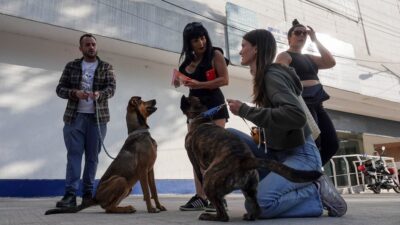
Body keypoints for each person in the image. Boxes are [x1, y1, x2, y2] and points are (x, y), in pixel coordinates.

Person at [226, 29, 347, 218]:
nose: (240, 51)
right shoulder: (262, 78)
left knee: (258, 206)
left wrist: (245, 110)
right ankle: (260, 189)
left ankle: (315, 191)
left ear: (256, 49)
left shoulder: (271, 75)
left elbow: (295, 115)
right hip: (279, 155)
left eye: (243, 46)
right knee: (229, 135)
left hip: (303, 158)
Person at [55, 33, 116, 208]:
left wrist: (100, 94)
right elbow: (59, 89)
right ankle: (70, 195)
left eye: (93, 44)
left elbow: (111, 88)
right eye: (87, 44)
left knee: (92, 158)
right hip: (75, 118)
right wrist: (74, 93)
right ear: (81, 48)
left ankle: (88, 195)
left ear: (96, 47)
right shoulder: (71, 66)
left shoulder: (106, 67)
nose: (91, 47)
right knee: (73, 155)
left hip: (98, 119)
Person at [174, 22, 230, 211]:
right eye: (196, 39)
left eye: (203, 37)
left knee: (215, 153)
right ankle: (201, 196)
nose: (201, 42)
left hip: (215, 106)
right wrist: (176, 80)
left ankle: (218, 196)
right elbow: (178, 82)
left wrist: (200, 85)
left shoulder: (215, 54)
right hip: (195, 111)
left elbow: (225, 79)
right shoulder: (186, 64)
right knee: (196, 154)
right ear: (189, 43)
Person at [275, 19, 338, 165]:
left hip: (318, 102)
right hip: (303, 102)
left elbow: (330, 62)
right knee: (314, 141)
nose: (302, 35)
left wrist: (315, 39)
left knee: (332, 143)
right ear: (289, 37)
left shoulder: (309, 57)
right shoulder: (285, 55)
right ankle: (307, 173)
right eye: (297, 33)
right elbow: (278, 75)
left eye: (305, 33)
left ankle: (313, 171)